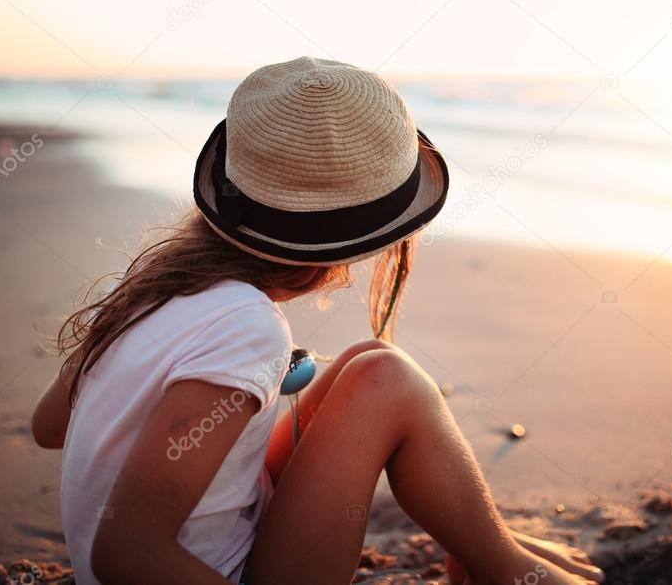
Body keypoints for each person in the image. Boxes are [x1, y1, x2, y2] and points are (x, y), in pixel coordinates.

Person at [32, 57, 604, 584]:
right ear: (345, 249)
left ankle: (485, 545)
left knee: (364, 363)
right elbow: (126, 552)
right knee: (389, 381)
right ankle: (502, 566)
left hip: (214, 545)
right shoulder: (245, 328)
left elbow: (50, 428)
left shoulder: (139, 290)